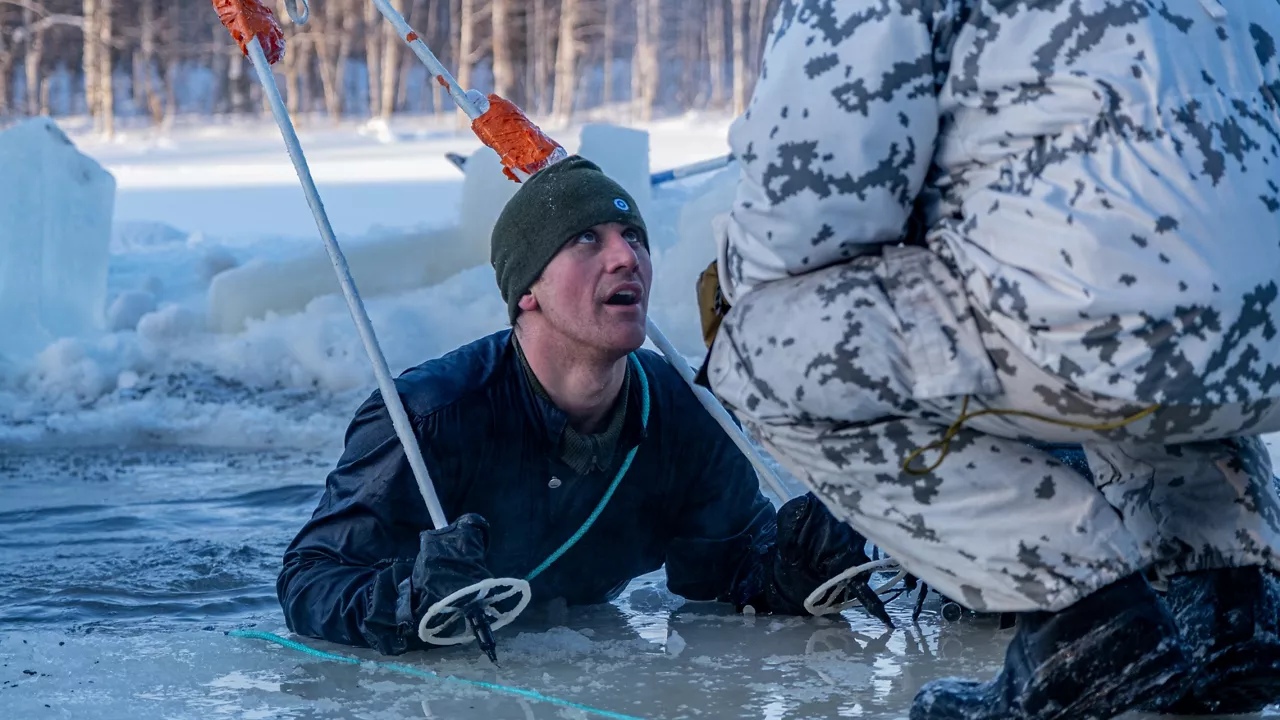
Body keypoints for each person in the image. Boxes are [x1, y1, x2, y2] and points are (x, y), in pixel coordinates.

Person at [701, 1, 1280, 718]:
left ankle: (1083, 624)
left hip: (1093, 300)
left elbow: (808, 213)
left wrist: (733, 280)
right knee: (1155, 312)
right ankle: (1228, 599)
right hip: (1261, 330)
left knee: (762, 341)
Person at [276, 156, 890, 658]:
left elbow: (727, 562)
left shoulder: (682, 409)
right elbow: (310, 579)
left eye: (634, 239)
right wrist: (408, 597)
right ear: (528, 293)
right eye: (586, 239)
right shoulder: (428, 415)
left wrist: (797, 559)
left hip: (577, 639)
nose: (626, 258)